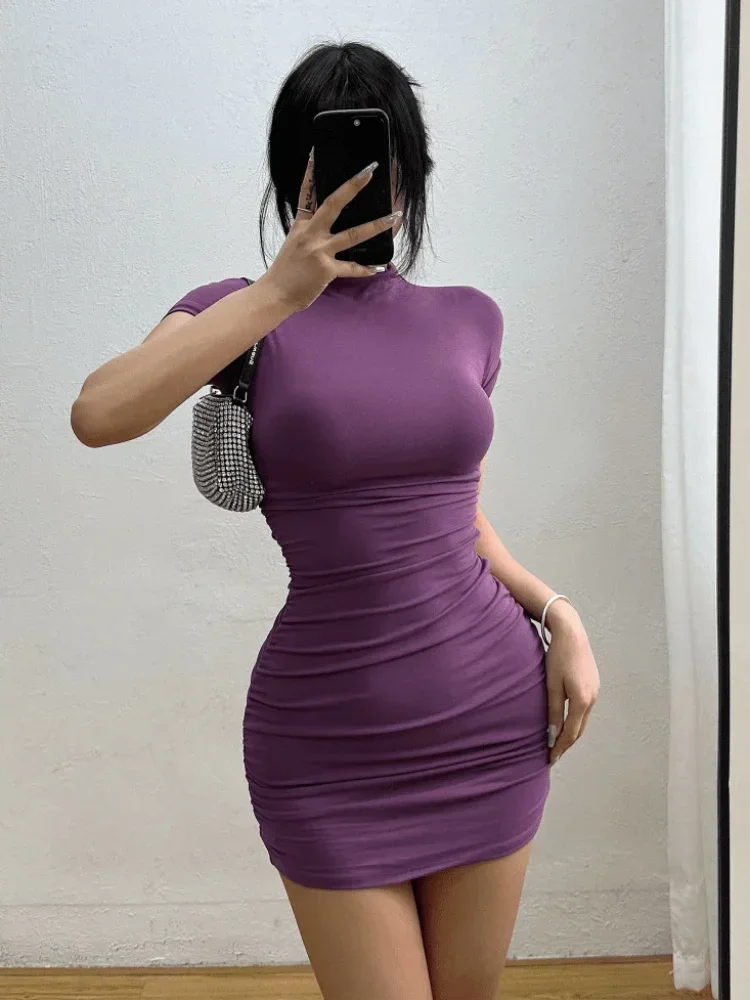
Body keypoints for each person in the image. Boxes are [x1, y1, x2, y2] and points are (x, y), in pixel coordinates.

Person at [70, 40, 600, 1000]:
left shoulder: (471, 319)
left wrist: (558, 612)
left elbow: (453, 519)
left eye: (379, 156)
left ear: (411, 169)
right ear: (293, 172)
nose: (361, 181)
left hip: (488, 712)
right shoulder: (234, 313)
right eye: (333, 157)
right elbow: (98, 415)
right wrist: (278, 295)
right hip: (328, 738)